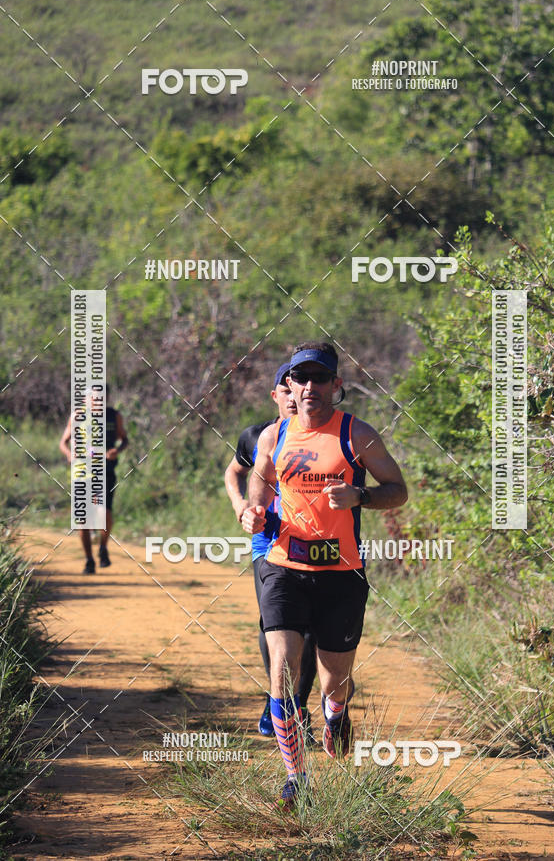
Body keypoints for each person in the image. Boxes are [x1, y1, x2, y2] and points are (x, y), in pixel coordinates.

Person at [242, 342, 408, 806]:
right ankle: (296, 778)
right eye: (301, 378)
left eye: (320, 378)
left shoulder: (357, 434)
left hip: (341, 574)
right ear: (290, 385)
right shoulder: (274, 435)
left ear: (336, 385)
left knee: (336, 681)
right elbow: (260, 479)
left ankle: (335, 712)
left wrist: (361, 497)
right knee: (282, 669)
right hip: (283, 567)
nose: (310, 387)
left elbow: (398, 490)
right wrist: (253, 511)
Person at [224, 362, 318, 739]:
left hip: (312, 540)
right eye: (285, 388)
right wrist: (240, 506)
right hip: (269, 540)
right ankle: (277, 697)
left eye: (298, 388)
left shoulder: (321, 437)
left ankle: (299, 706)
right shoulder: (256, 436)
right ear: (275, 395)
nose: (293, 395)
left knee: (310, 628)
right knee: (273, 621)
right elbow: (233, 472)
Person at [59, 384, 128, 574]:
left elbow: (124, 439)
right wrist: (69, 454)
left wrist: (116, 451)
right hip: (82, 474)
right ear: (87, 398)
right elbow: (64, 442)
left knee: (103, 512)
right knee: (83, 519)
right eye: (95, 397)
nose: (98, 401)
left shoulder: (114, 416)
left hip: (105, 471)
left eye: (102, 397)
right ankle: (89, 560)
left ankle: (103, 547)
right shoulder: (78, 416)